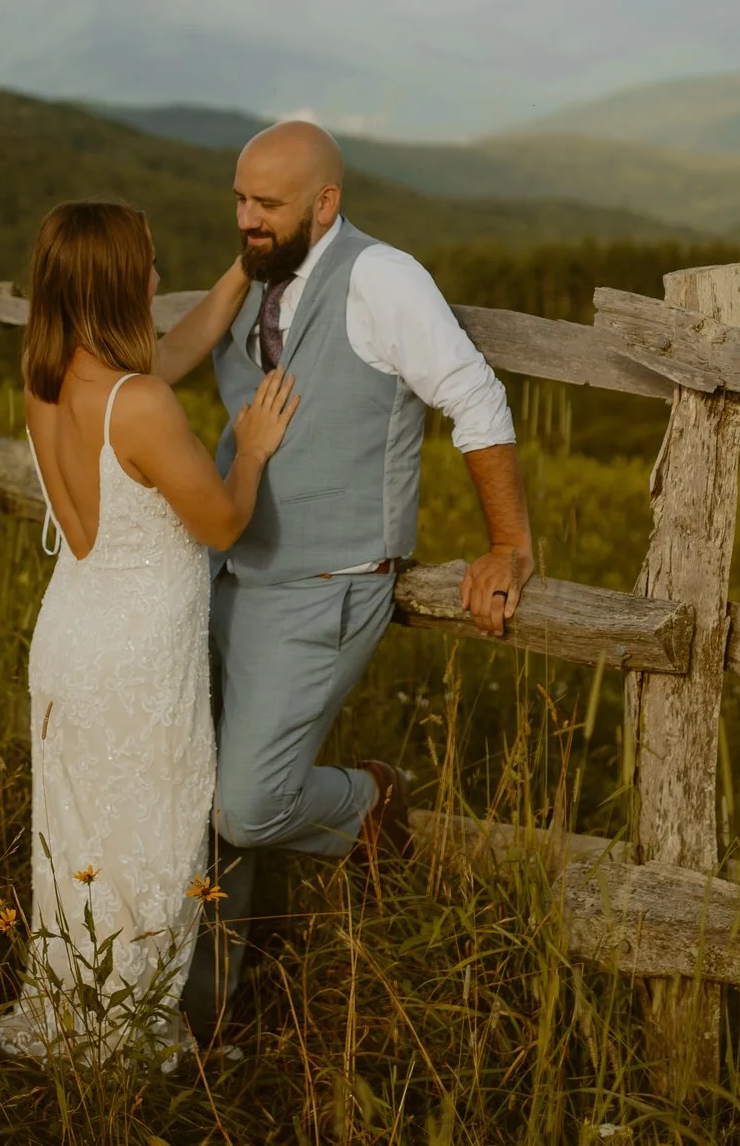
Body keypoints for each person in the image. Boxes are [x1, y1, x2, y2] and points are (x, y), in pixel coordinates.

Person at [184, 120, 534, 1036]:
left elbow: (475, 395)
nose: (247, 219)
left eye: (267, 205)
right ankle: (209, 1017)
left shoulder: (383, 278)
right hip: (228, 574)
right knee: (203, 807)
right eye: (239, 199)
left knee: (250, 806)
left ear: (326, 203)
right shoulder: (257, 273)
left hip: (329, 580)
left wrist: (508, 544)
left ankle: (373, 798)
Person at [0, 200, 299, 1067]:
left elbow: (173, 350)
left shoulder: (48, 377)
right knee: (151, 845)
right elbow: (225, 523)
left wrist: (243, 270)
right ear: (118, 282)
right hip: (132, 659)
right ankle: (122, 1036)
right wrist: (252, 443)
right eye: (151, 265)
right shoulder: (143, 406)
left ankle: (81, 1015)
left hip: (68, 640)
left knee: (84, 844)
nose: (162, 277)